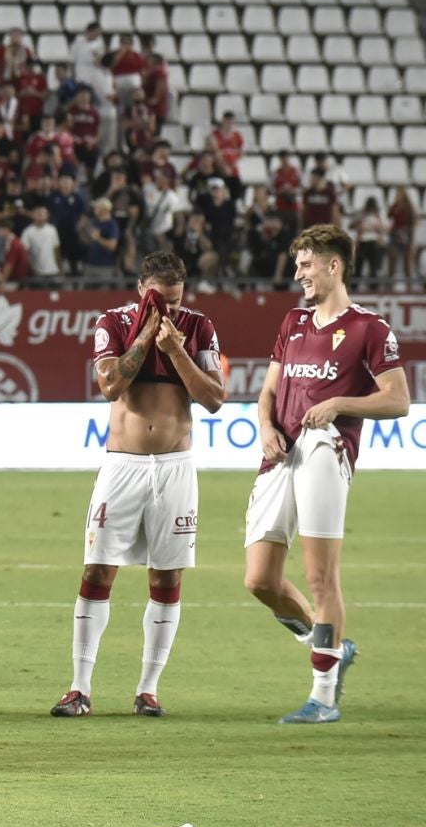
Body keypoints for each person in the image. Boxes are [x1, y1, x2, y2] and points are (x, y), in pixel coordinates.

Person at [244, 225, 409, 724]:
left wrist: (338, 403)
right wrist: (265, 427)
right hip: (281, 452)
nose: (298, 273)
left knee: (320, 576)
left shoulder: (369, 329)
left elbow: (398, 399)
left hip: (325, 450)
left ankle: (324, 696)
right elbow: (268, 392)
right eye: (298, 264)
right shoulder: (293, 321)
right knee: (259, 580)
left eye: (306, 264)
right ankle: (335, 643)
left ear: (333, 266)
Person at [50, 254, 226, 720]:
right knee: (96, 572)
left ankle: (148, 689)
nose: (166, 308)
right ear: (141, 288)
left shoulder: (198, 327)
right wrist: (147, 336)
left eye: (174, 300)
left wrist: (176, 350)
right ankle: (80, 687)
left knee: (167, 577)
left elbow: (214, 398)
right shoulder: (113, 322)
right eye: (158, 299)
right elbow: (109, 386)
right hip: (122, 466)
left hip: (175, 467)